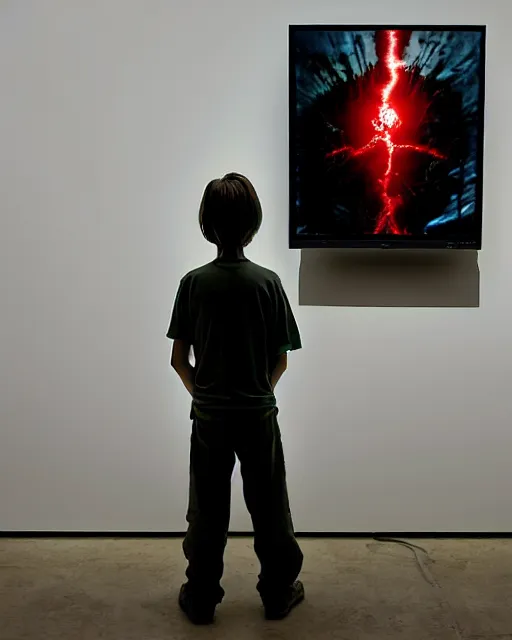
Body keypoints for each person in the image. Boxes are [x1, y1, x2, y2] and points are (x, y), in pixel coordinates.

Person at [166, 172, 304, 625]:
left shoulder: (193, 284)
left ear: (207, 224)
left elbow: (178, 360)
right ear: (253, 224)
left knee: (206, 510)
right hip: (258, 414)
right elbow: (280, 359)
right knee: (269, 508)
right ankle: (278, 593)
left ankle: (202, 596)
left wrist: (204, 394)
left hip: (209, 416)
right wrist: (259, 392)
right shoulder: (267, 283)